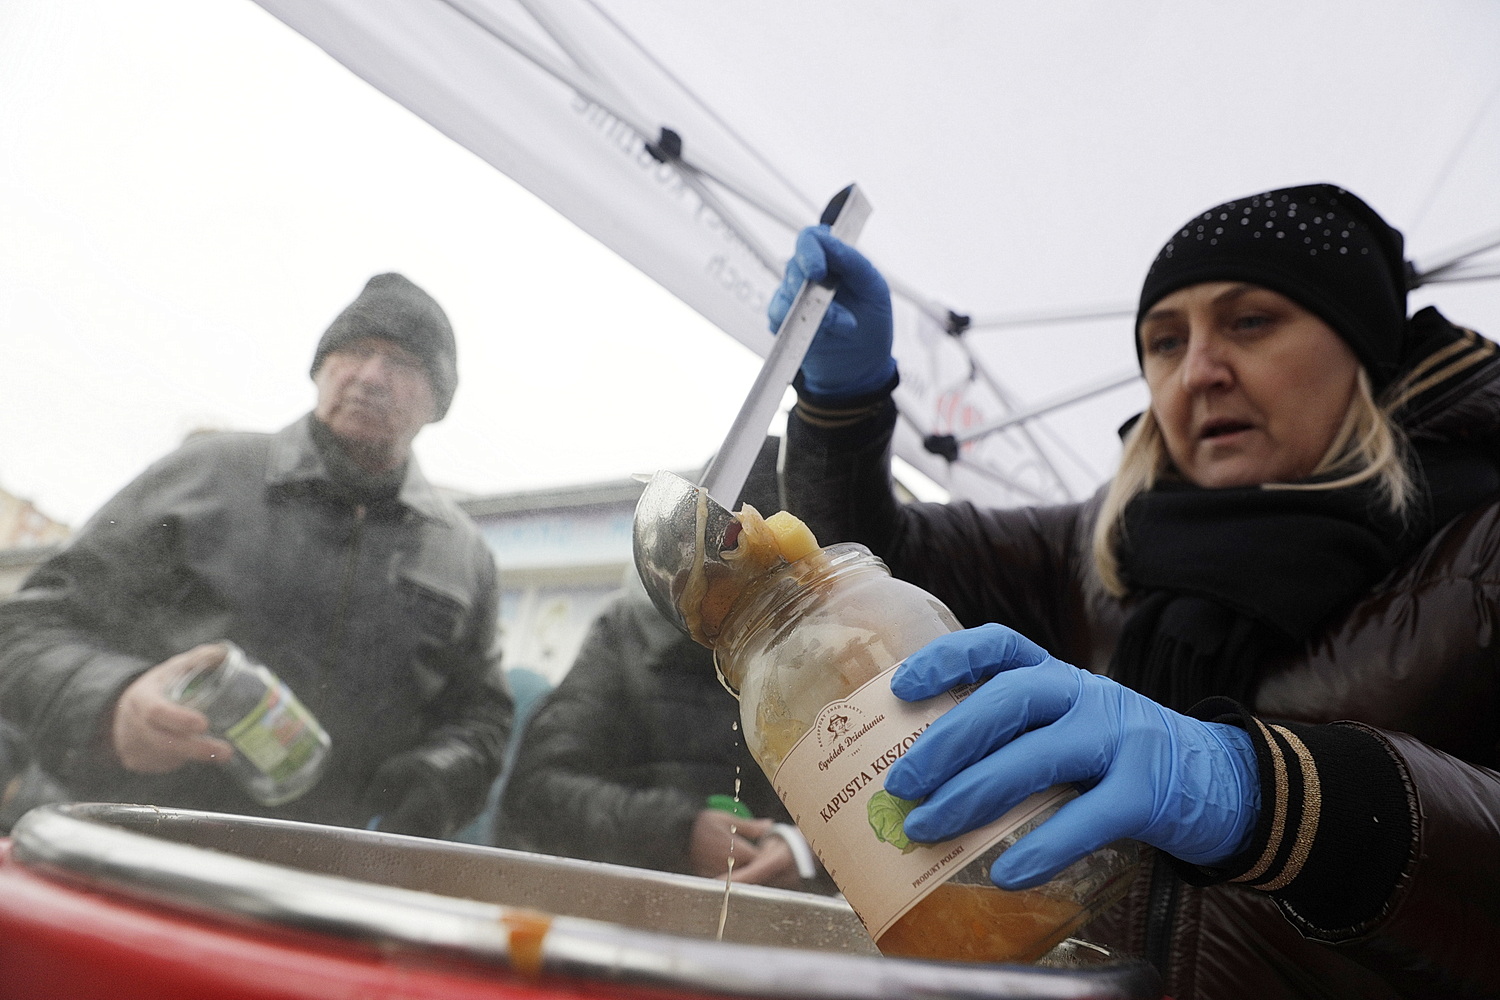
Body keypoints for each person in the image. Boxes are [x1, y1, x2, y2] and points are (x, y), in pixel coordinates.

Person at [768, 184, 1500, 998]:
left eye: (1250, 321)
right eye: (1163, 340)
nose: (1200, 372)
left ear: (1364, 344)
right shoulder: (1103, 545)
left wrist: (1277, 798)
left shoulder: (1481, 547)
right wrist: (842, 408)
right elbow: (866, 566)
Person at [0, 273, 512, 838]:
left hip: (318, 875)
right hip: (119, 841)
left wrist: (438, 779)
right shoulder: (204, 474)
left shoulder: (463, 557)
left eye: (403, 363)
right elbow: (26, 628)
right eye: (354, 352)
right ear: (321, 369)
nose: (370, 377)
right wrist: (111, 703)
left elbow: (481, 718)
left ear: (438, 402)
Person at [493, 438, 827, 891]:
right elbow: (537, 792)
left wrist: (800, 850)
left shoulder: (820, 660)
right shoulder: (625, 634)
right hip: (627, 915)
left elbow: (877, 804)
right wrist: (678, 831)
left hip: (768, 930)